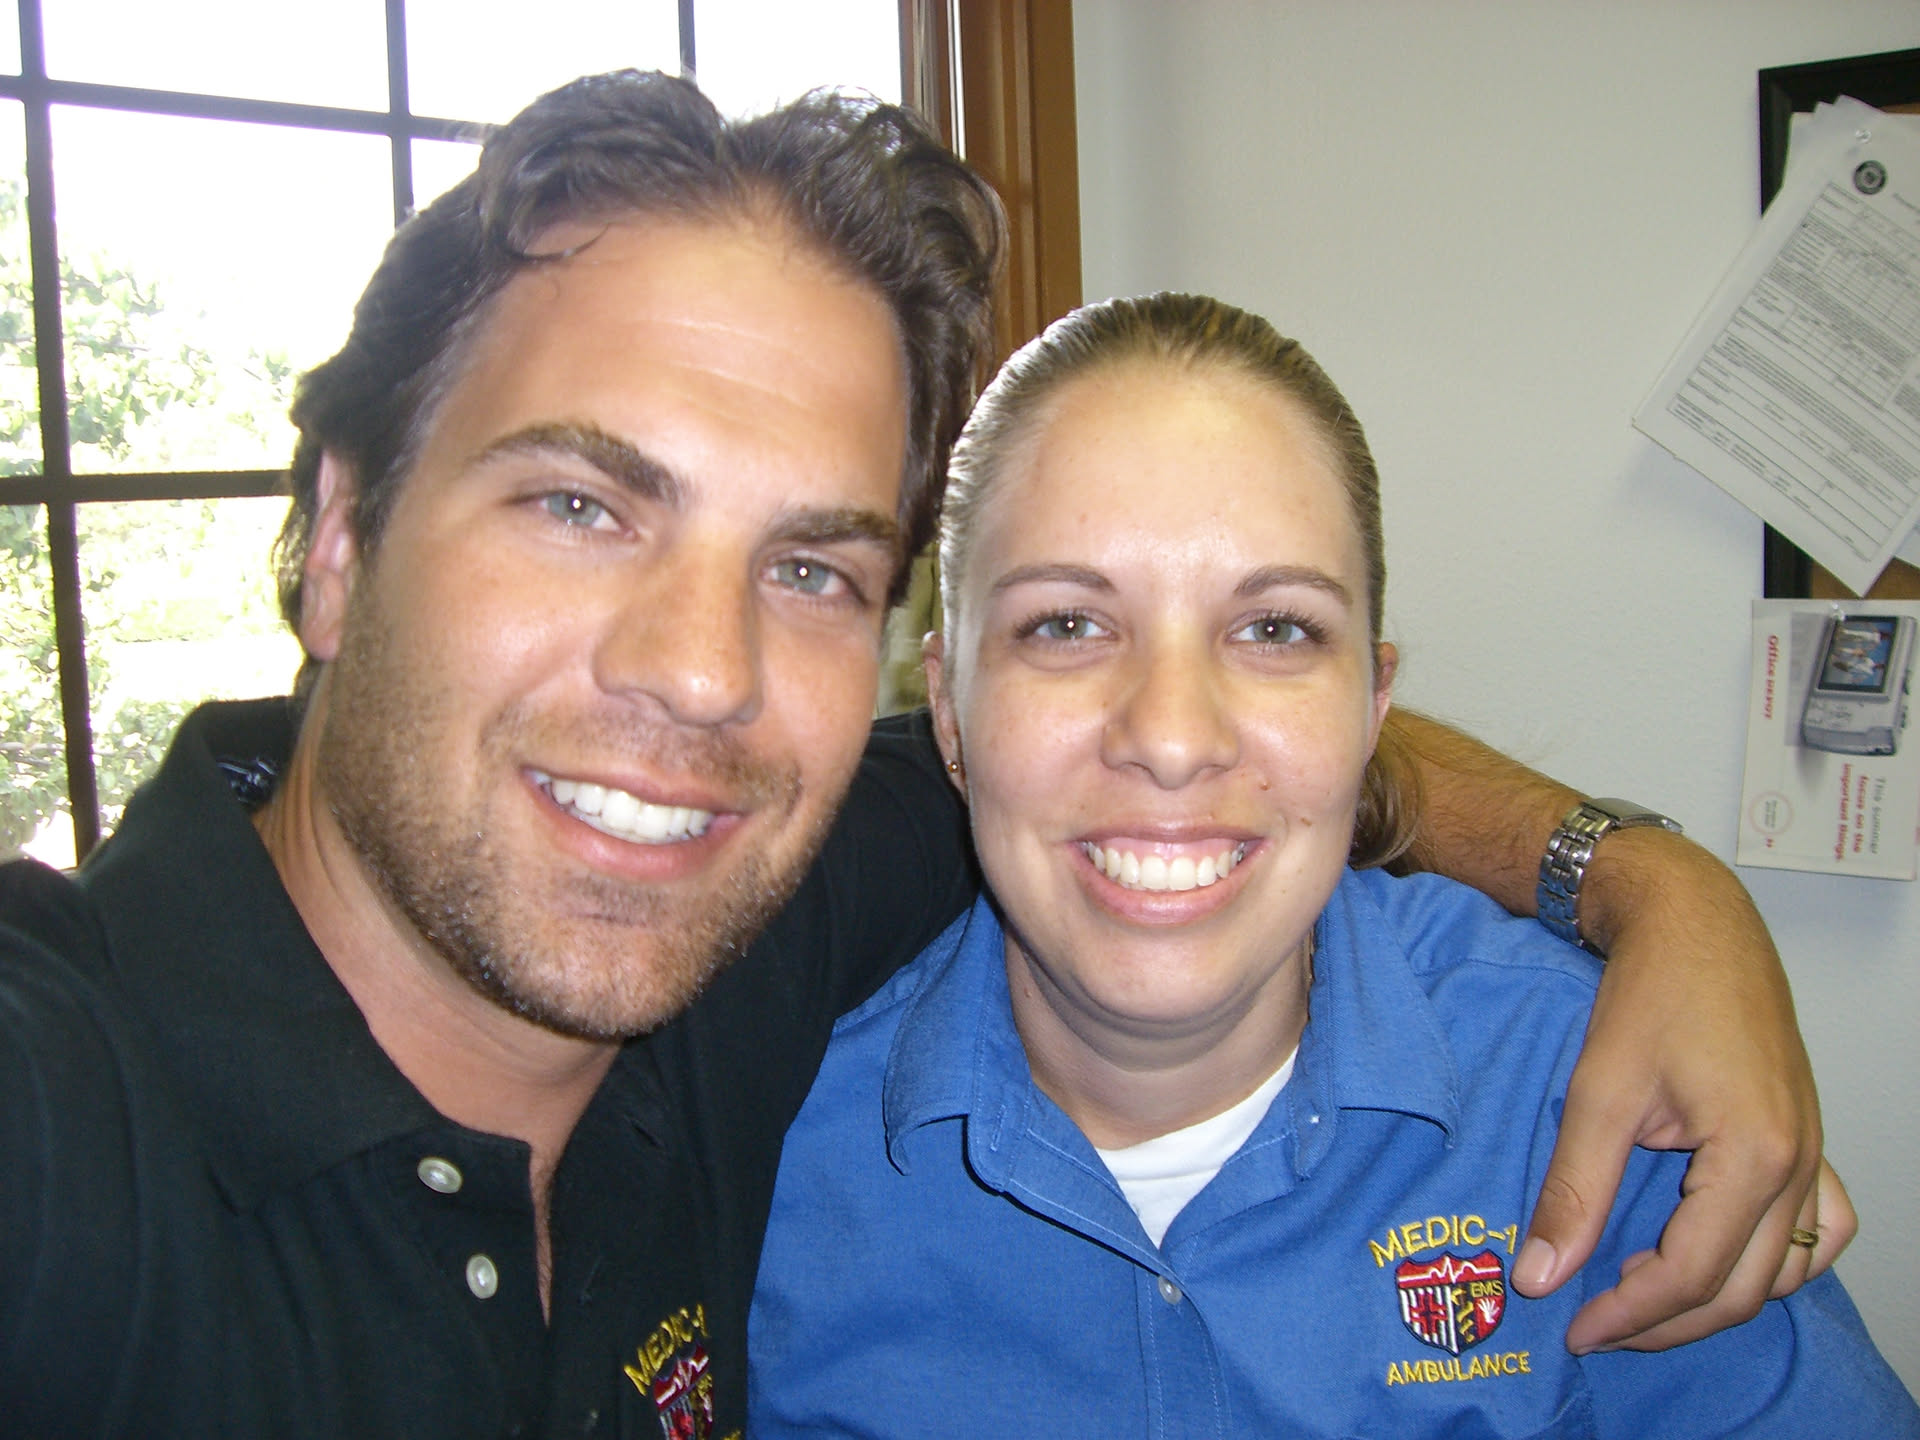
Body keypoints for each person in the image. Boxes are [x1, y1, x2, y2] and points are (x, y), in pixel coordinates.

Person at [0, 72, 1848, 1438]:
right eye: (579, 503)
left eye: (809, 567)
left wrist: (1649, 885)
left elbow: (1218, 769)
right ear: (339, 539)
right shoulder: (69, 1123)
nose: (701, 675)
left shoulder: (750, 913)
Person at [747, 294, 1918, 1437]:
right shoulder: (763, 1155)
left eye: (1275, 630)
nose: (1172, 737)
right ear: (949, 715)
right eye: (1065, 624)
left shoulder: (1593, 1091)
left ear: (1373, 708)